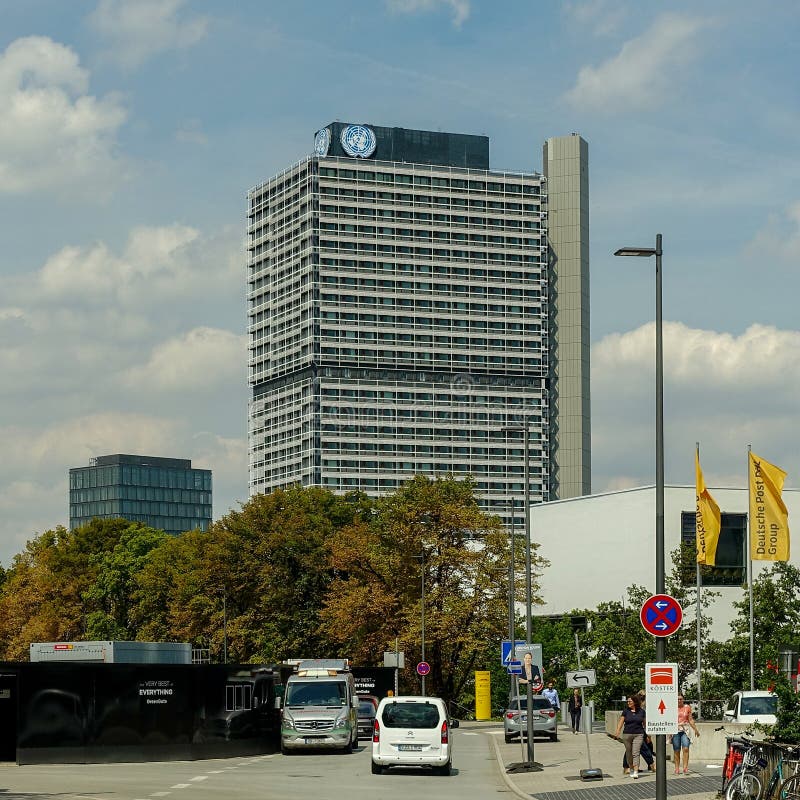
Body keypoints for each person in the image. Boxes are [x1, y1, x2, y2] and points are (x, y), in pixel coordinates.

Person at [615, 694, 646, 779]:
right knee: (629, 753)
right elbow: (621, 722)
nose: (628, 703)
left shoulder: (642, 712)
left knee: (636, 752)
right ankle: (631, 768)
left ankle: (636, 771)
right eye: (627, 701)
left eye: (630, 701)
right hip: (627, 734)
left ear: (635, 702)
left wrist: (648, 735)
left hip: (638, 734)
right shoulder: (626, 711)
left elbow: (645, 724)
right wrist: (617, 731)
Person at [672, 695, 700, 775]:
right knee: (676, 750)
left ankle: (685, 768)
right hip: (676, 730)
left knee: (686, 748)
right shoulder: (673, 708)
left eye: (680, 699)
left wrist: (695, 729)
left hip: (685, 730)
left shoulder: (687, 707)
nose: (679, 700)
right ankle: (677, 768)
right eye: (677, 699)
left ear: (683, 700)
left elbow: (690, 719)